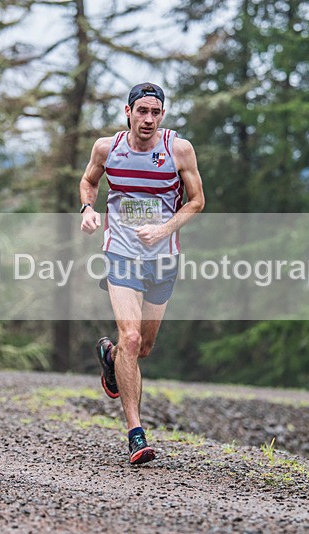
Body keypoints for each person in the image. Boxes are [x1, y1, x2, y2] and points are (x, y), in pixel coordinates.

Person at [78, 82, 205, 465]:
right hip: (120, 255)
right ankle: (136, 434)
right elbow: (89, 181)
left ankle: (110, 357)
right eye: (141, 111)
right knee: (131, 338)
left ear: (162, 115)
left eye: (155, 112)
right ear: (128, 112)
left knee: (142, 348)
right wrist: (87, 210)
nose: (148, 119)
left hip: (163, 259)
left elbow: (198, 200)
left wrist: (165, 229)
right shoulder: (107, 147)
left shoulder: (178, 150)